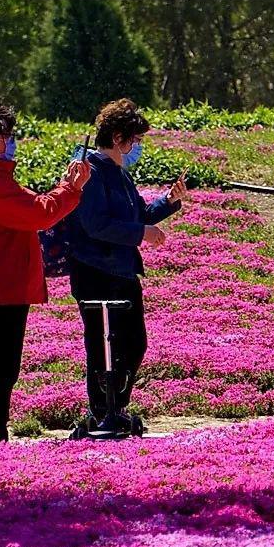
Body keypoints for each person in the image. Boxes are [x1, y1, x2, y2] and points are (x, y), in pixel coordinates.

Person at [0, 103, 91, 445]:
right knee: (2, 367)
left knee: (4, 365)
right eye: (7, 135)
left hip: (0, 282)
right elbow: (37, 213)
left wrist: (65, 189)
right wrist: (70, 189)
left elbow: (34, 208)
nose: (12, 141)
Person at [67, 98, 187, 431]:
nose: (136, 146)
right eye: (133, 139)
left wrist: (168, 202)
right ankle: (100, 412)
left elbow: (139, 215)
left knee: (134, 343)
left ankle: (115, 407)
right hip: (96, 272)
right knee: (103, 344)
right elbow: (95, 224)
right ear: (118, 136)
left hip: (122, 270)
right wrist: (141, 233)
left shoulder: (119, 173)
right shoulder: (90, 170)